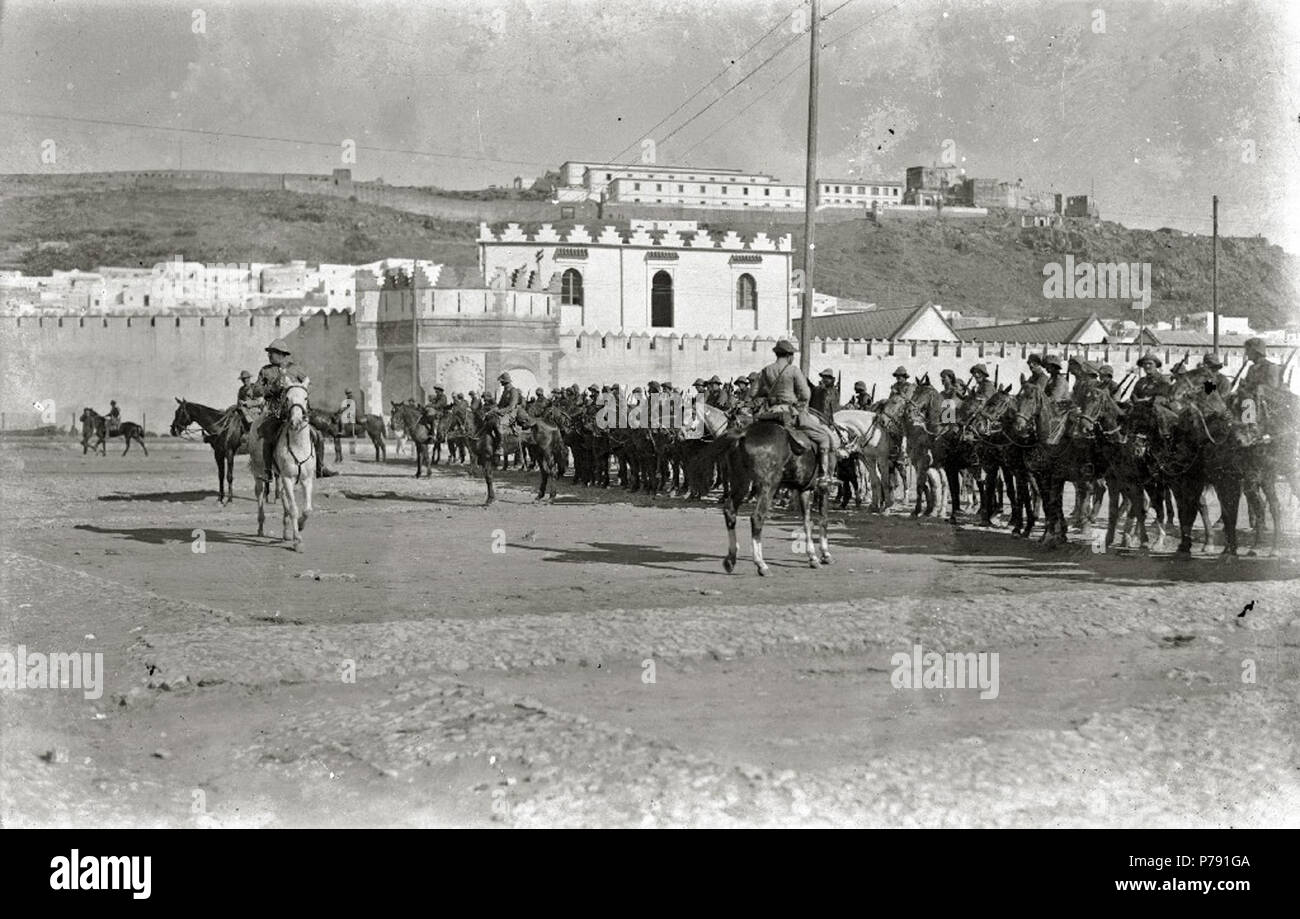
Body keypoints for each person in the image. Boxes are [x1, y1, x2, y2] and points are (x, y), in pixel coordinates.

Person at [752, 339, 837, 488]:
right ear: (790, 355)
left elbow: (753, 393)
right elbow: (806, 394)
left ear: (777, 354)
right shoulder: (793, 370)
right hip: (790, 413)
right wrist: (798, 403)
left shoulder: (765, 371)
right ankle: (824, 476)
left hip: (770, 413)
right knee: (824, 437)